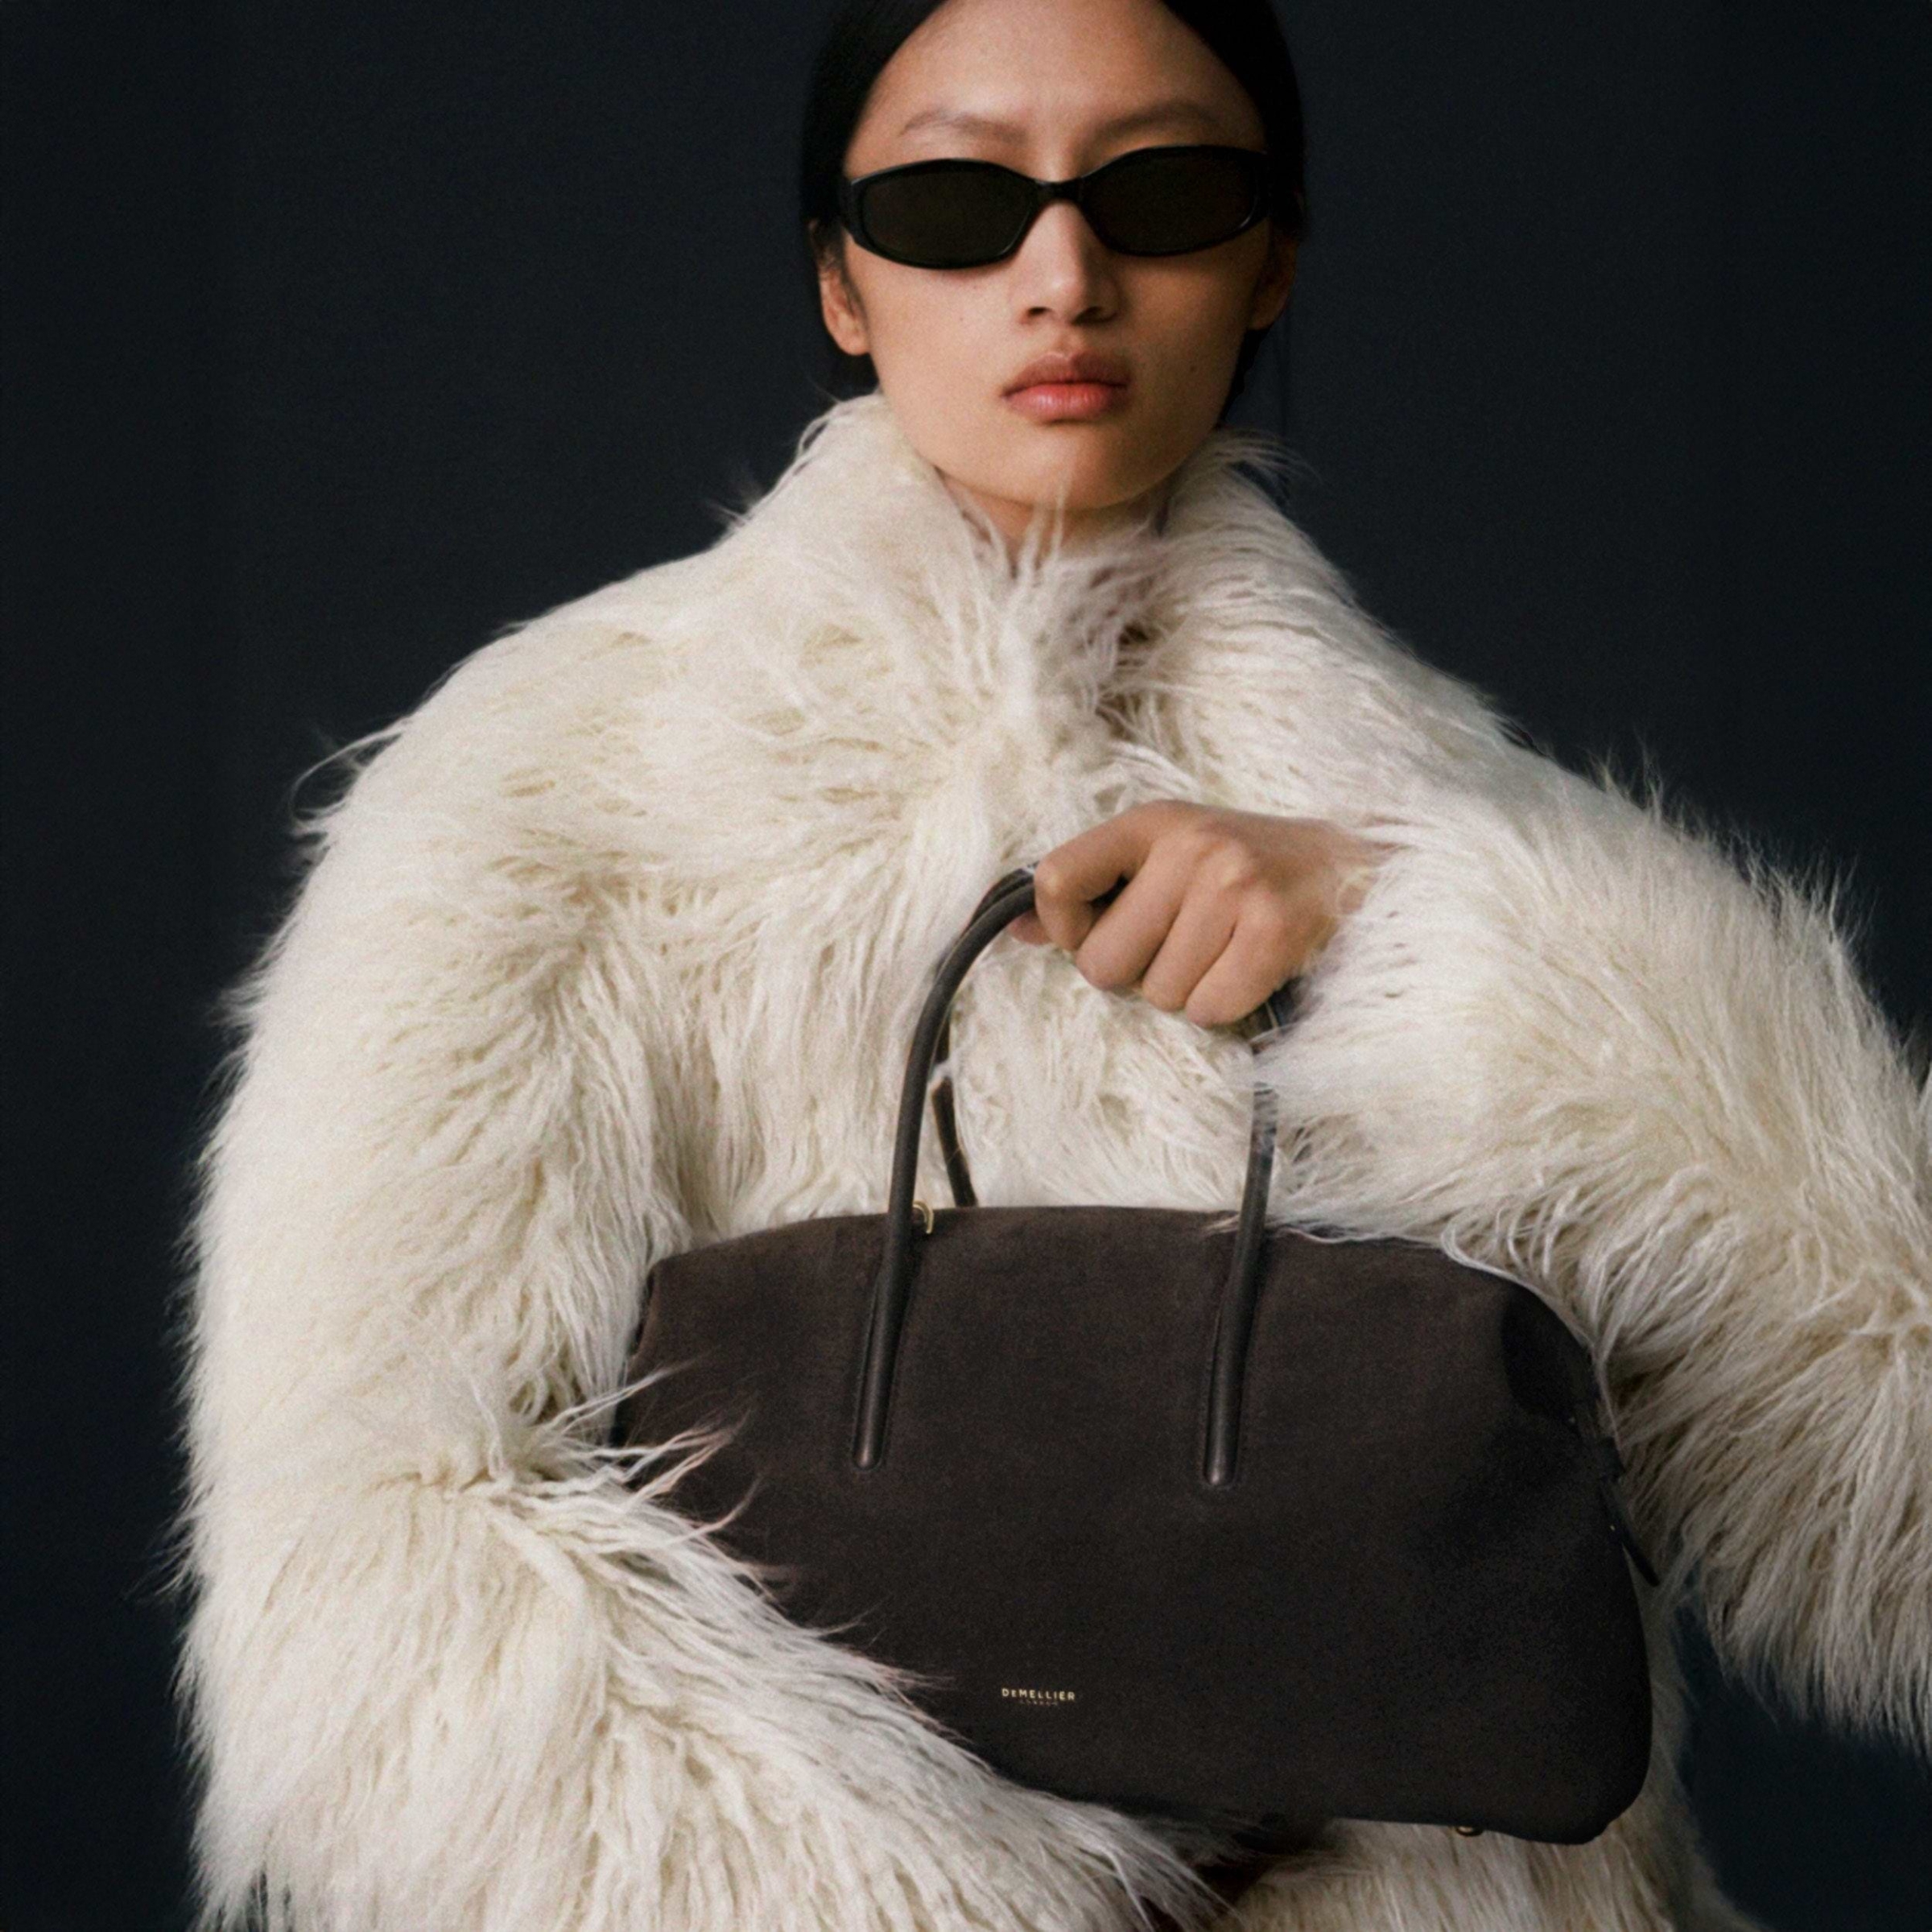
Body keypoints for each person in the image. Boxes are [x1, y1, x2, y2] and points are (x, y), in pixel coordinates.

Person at [171, 1, 1932, 1928]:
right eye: (953, 198)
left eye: (1162, 191)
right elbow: (377, 1582)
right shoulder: (545, 795)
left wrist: (1436, 925)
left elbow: (1891, 1465)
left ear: (1271, 260)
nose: (1063, 274)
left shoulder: (1457, 827)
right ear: (842, 279)